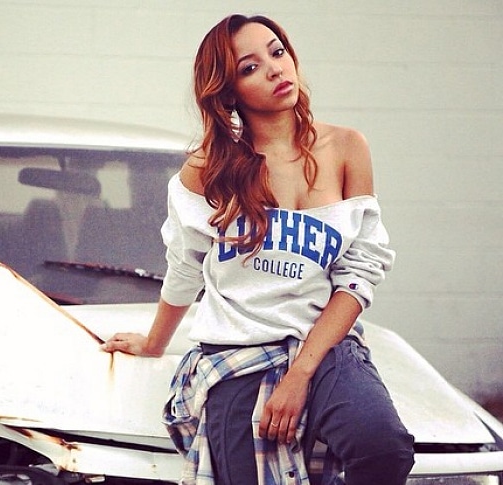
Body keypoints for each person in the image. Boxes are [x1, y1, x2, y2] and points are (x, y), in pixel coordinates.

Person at [101, 13, 415, 485]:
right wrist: (154, 343)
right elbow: (185, 267)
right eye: (249, 68)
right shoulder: (209, 169)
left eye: (277, 52)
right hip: (238, 354)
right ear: (228, 92)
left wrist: (299, 375)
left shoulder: (347, 147)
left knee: (383, 447)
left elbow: (359, 272)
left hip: (325, 347)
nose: (274, 69)